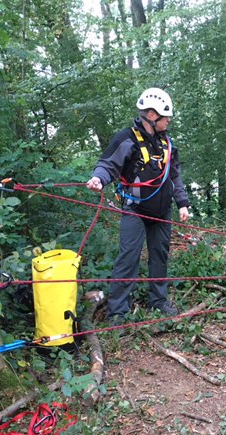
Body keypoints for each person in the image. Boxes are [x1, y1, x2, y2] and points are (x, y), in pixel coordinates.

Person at [86, 88, 190, 324]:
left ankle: (159, 301)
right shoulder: (127, 139)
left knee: (160, 255)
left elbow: (175, 176)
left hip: (162, 211)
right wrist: (98, 179)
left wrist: (182, 203)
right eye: (166, 117)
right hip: (135, 209)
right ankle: (118, 312)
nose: (169, 121)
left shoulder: (168, 144)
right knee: (128, 257)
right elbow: (108, 164)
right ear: (152, 116)